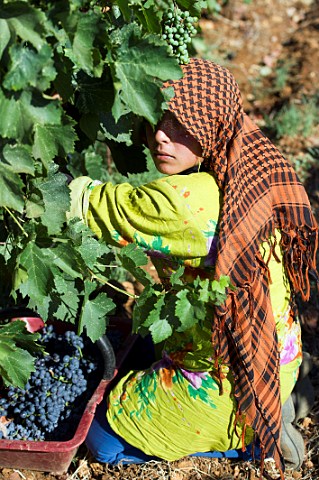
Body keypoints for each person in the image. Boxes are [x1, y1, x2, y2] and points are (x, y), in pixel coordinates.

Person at [68, 58, 318, 477]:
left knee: (99, 437)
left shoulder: (185, 203)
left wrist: (32, 183)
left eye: (181, 124)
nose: (160, 137)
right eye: (156, 119)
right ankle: (282, 393)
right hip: (271, 349)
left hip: (225, 375)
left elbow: (90, 205)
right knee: (141, 344)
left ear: (210, 124)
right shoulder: (253, 161)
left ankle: (251, 439)